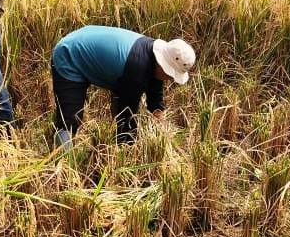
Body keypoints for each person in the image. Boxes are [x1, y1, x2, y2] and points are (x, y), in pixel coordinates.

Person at [51, 25, 196, 149]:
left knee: (122, 95)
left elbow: (154, 88)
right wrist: (128, 148)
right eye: (171, 75)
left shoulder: (151, 54)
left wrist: (159, 119)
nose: (170, 79)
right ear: (163, 65)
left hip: (85, 39)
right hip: (69, 54)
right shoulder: (136, 68)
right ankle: (62, 168)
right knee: (70, 120)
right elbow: (126, 113)